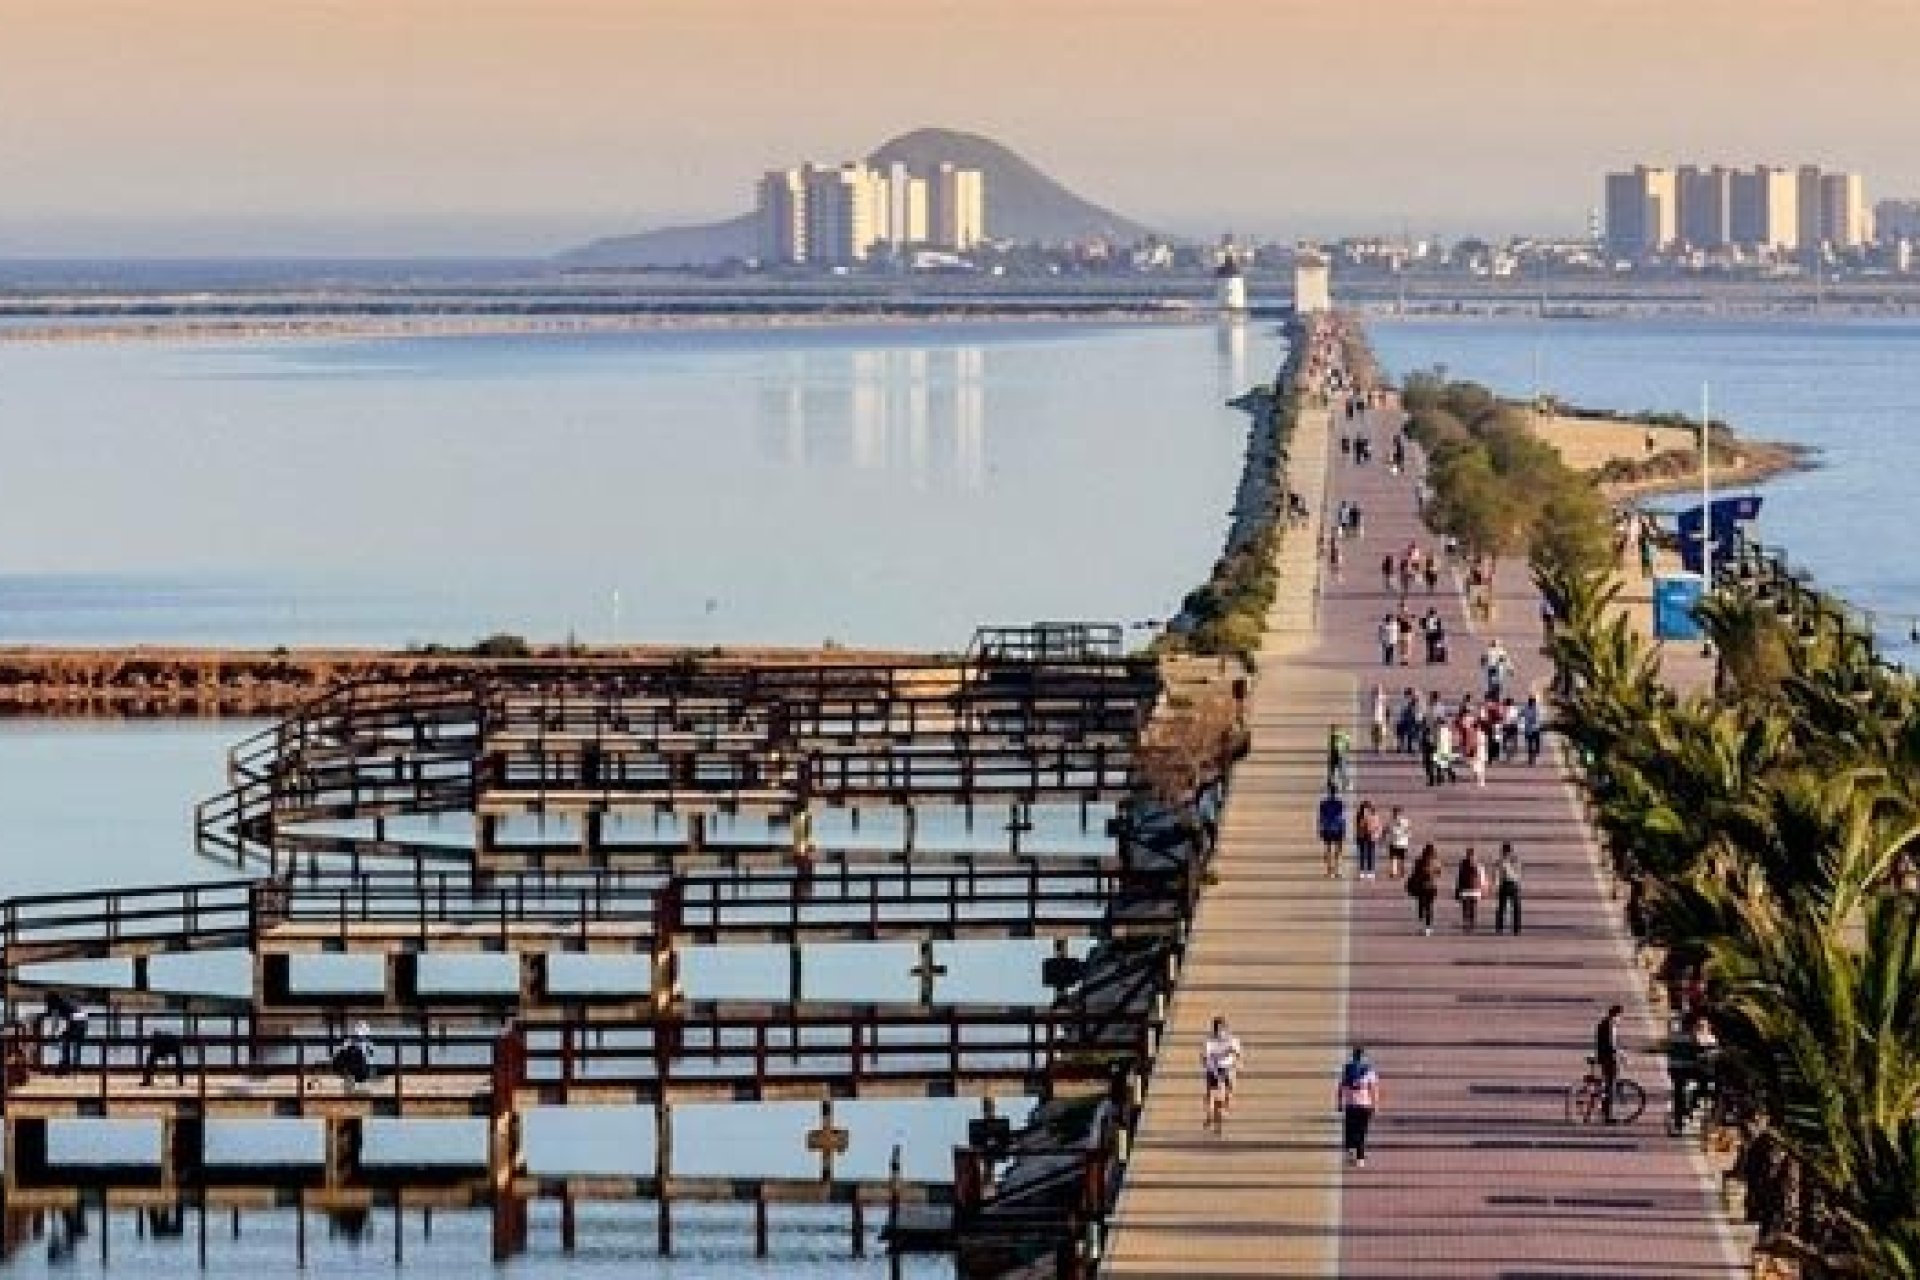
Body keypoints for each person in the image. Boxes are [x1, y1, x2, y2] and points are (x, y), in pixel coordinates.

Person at [1666, 1012, 1720, 1132]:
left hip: (1676, 1069)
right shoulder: (1693, 1037)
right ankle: (1690, 1107)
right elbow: (1700, 1055)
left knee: (1679, 1092)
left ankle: (1679, 1120)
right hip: (1685, 1069)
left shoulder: (1675, 1036)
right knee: (1704, 1083)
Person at [1335, 1046, 1381, 1168]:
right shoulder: (1369, 1071)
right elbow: (1373, 1089)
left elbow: (1341, 1087)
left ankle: (1350, 1152)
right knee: (1361, 1132)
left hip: (1350, 1105)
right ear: (1363, 1057)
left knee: (1350, 1130)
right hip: (1364, 1105)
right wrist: (1375, 1105)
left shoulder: (1348, 1069)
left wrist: (1339, 1102)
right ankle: (1360, 1158)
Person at [1201, 1015, 1244, 1132]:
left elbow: (1237, 1053)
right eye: (1219, 1030)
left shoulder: (1232, 1040)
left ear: (1226, 1029)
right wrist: (1207, 1065)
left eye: (1223, 1030)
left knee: (1230, 1090)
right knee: (1211, 1093)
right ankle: (1210, 1115)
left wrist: (1238, 1062)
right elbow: (1205, 1057)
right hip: (1214, 1069)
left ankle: (1223, 1108)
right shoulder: (1209, 1041)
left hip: (1227, 1068)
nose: (1221, 1032)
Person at [1595, 1004, 1625, 1123]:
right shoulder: (1610, 1025)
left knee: (1608, 1084)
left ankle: (1604, 1109)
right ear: (1616, 1014)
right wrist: (1620, 1054)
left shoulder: (1603, 1022)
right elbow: (1611, 1044)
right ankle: (1608, 1115)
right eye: (1620, 1016)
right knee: (1610, 1086)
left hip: (1602, 1057)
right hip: (1608, 1058)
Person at [44, 994, 87, 1076]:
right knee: (76, 1044)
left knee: (65, 1039)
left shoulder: (57, 1007)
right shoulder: (66, 1001)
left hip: (77, 1021)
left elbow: (55, 1023)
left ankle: (66, 1063)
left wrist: (52, 1034)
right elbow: (76, 1012)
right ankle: (75, 1065)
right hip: (83, 1020)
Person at [1407, 844, 1441, 935]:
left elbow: (1414, 873)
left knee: (1421, 906)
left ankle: (1421, 925)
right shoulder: (1436, 862)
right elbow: (1439, 873)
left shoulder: (1419, 861)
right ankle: (1428, 927)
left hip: (1421, 887)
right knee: (1429, 907)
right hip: (1431, 887)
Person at [1317, 785, 1349, 878]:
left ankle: (1328, 871)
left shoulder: (1323, 803)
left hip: (1327, 828)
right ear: (1337, 792)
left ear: (1328, 792)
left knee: (1328, 849)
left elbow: (1321, 818)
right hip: (1338, 828)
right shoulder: (1340, 803)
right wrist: (1344, 829)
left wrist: (1320, 829)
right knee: (1338, 850)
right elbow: (1343, 818)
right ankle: (1337, 871)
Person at [335, 1021, 376, 1089]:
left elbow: (370, 1059)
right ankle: (351, 1077)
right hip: (355, 1068)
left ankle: (353, 1078)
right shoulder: (350, 1042)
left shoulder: (367, 1044)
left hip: (362, 1070)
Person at [1493, 842, 1523, 935]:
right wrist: (1497, 884)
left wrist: (1518, 882)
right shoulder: (1500, 861)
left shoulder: (1515, 860)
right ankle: (1499, 928)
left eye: (1508, 851)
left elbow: (1518, 872)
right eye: (1505, 851)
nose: (1506, 853)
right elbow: (1496, 873)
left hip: (1513, 883)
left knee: (1516, 907)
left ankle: (1516, 929)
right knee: (1502, 907)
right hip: (1504, 884)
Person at [1455, 847, 1487, 932]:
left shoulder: (1462, 864)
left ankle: (1466, 923)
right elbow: (1482, 878)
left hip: (1465, 889)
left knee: (1465, 907)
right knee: (1472, 907)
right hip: (1474, 890)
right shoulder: (1478, 864)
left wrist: (1457, 889)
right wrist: (1483, 889)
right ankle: (1471, 924)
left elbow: (1459, 877)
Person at [1353, 800, 1383, 880]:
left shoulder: (1374, 815)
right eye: (1364, 808)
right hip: (1362, 836)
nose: (1366, 810)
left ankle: (1370, 871)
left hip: (1371, 836)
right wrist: (1365, 819)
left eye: (1367, 808)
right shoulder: (1359, 815)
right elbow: (1359, 826)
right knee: (1362, 855)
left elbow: (1378, 825)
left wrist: (1377, 833)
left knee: (1371, 854)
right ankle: (1362, 871)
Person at [1385, 807, 1412, 879]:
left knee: (1401, 859)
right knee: (1394, 858)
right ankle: (1394, 872)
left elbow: (1408, 831)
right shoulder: (1391, 821)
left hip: (1401, 842)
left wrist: (1406, 836)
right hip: (1394, 842)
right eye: (1395, 813)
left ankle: (1401, 872)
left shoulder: (1404, 822)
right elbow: (1386, 830)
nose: (1396, 814)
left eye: (1397, 813)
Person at [1326, 724, 1352, 792]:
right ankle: (1344, 784)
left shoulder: (1334, 736)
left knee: (1335, 771)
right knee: (1340, 771)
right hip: (1339, 755)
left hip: (1337, 755)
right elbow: (1347, 745)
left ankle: (1335, 784)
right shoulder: (1343, 735)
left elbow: (1331, 747)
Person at [1521, 695, 1545, 765]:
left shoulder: (1532, 708)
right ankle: (1531, 757)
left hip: (1532, 729)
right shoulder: (1535, 708)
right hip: (1532, 729)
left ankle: (1533, 755)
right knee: (1531, 744)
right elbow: (1521, 715)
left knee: (1532, 744)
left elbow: (1521, 715)